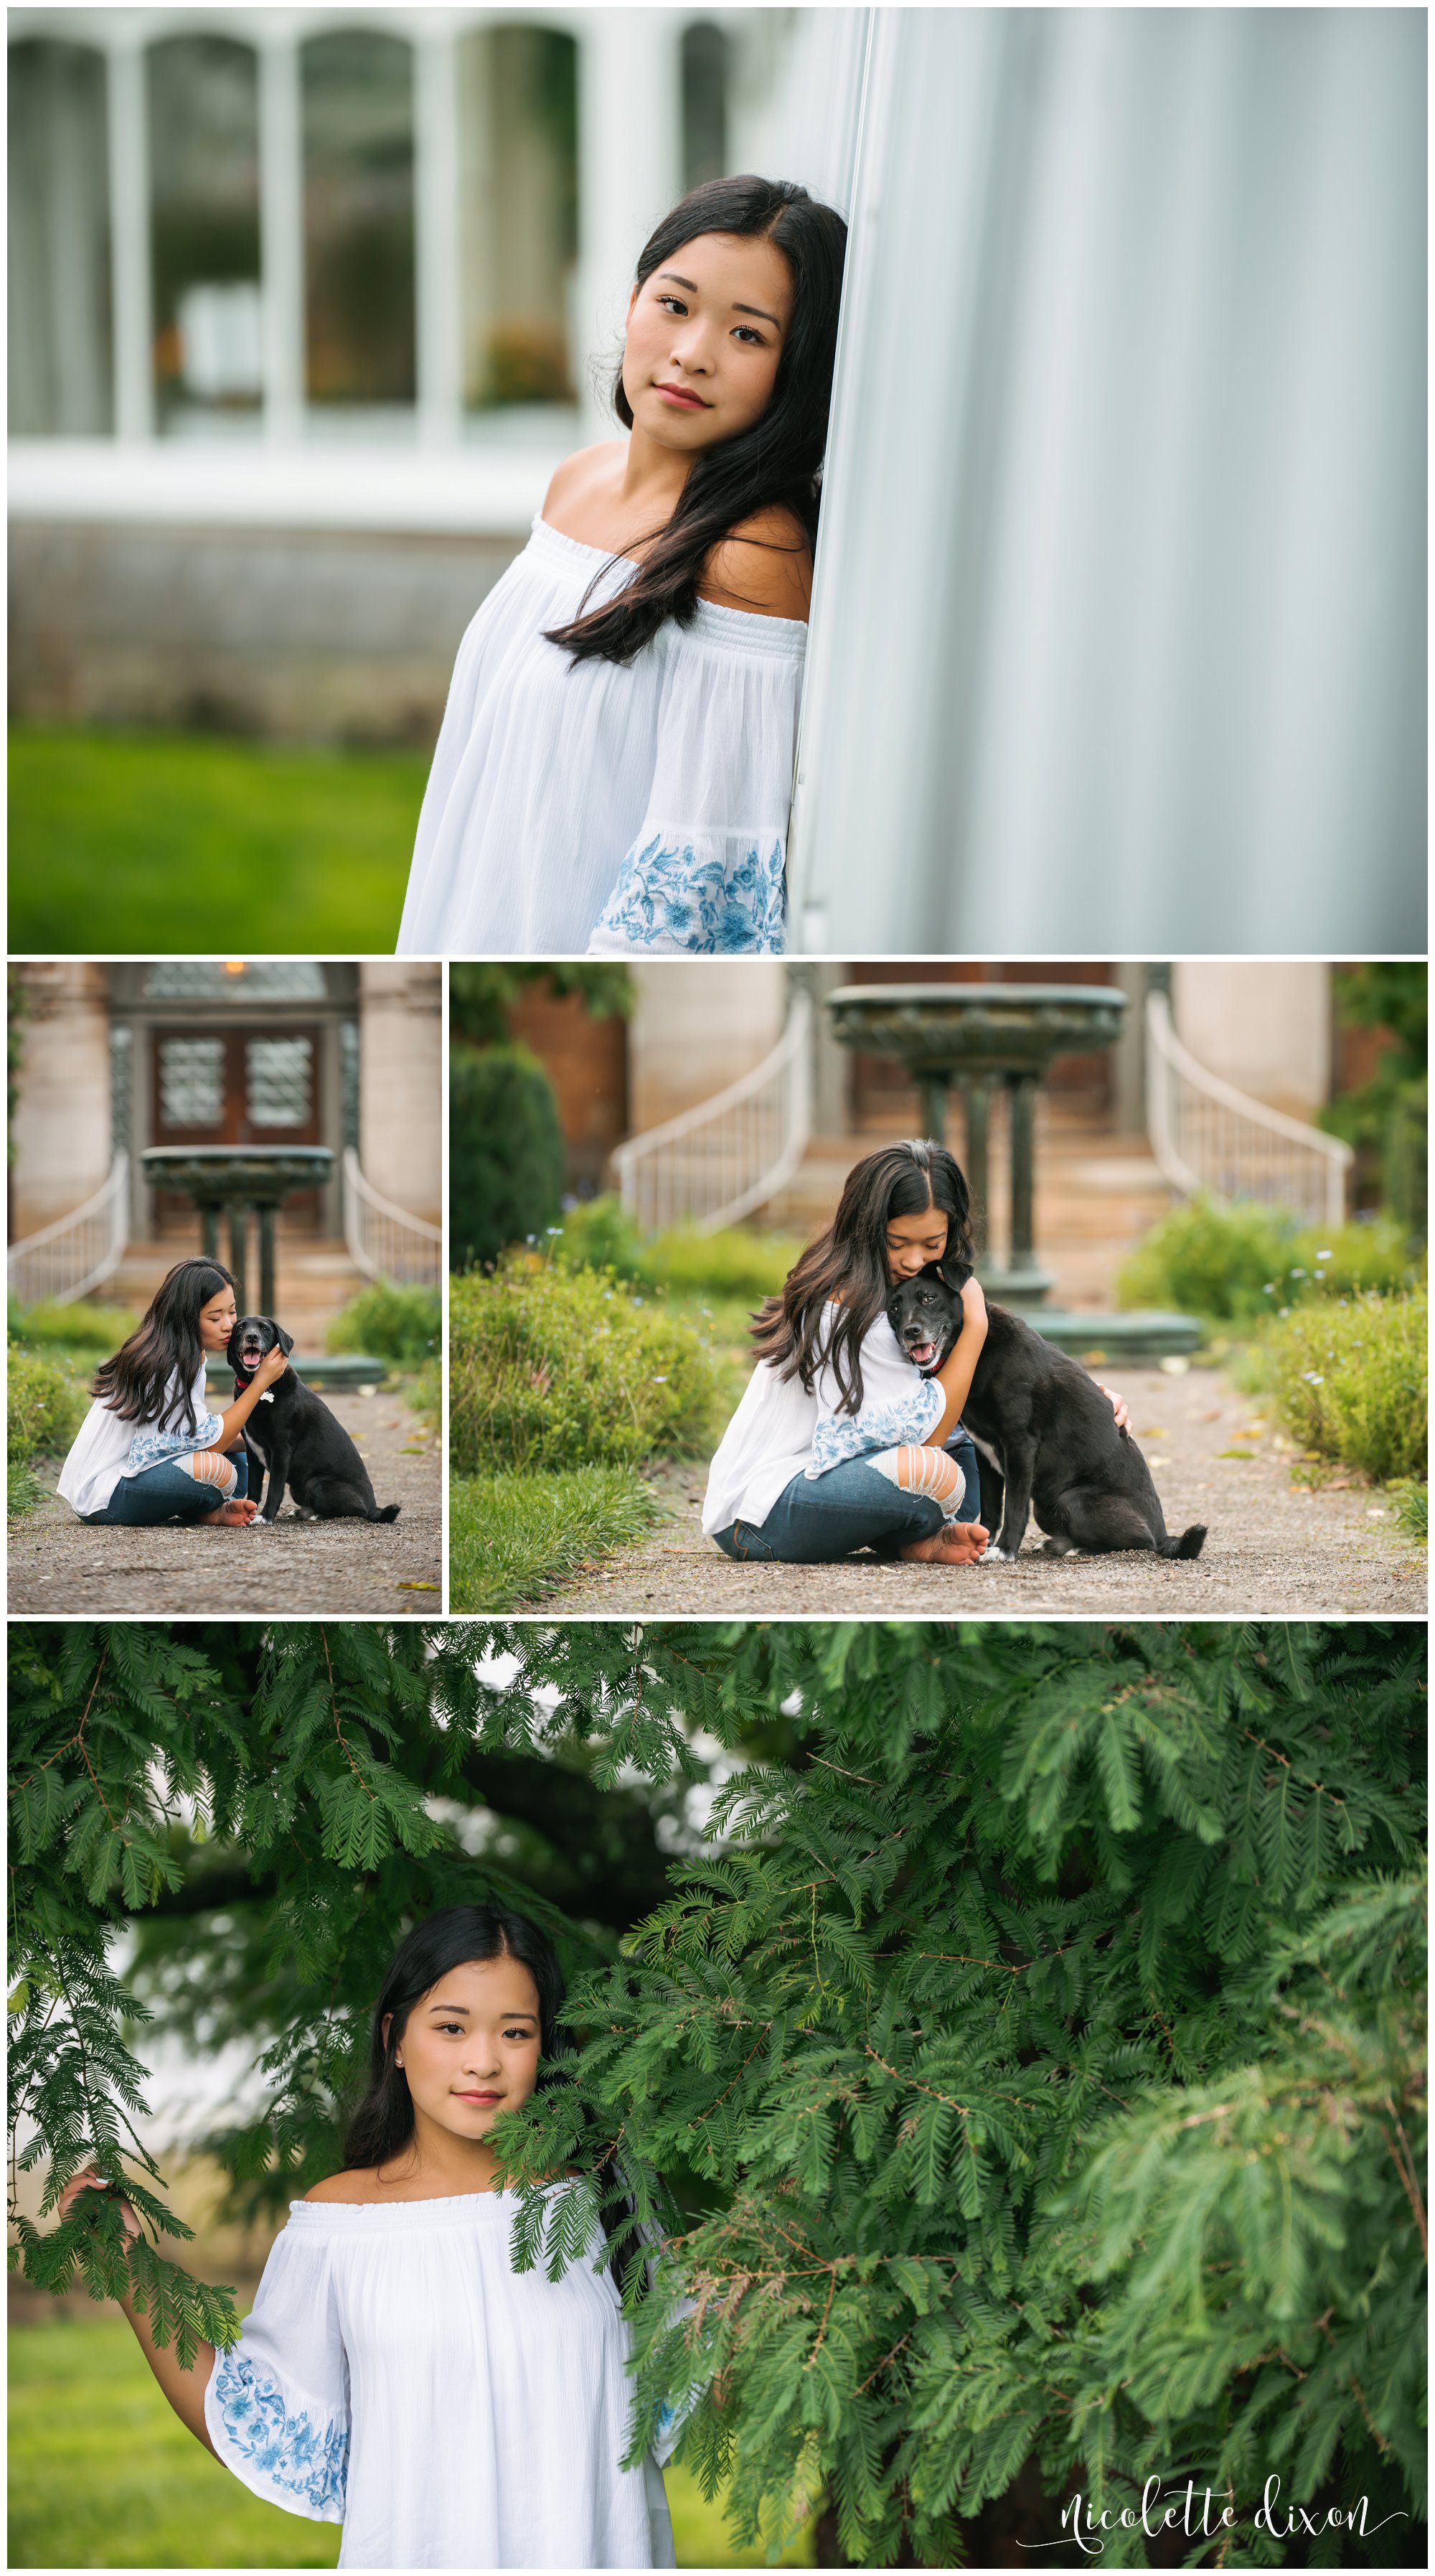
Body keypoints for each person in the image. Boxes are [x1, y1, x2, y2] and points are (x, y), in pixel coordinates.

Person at [57, 1906, 674, 2572]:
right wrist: (128, 2266)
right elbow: (253, 2417)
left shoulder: (604, 2194)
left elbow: (702, 2359)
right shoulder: (341, 2226)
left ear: (544, 2045)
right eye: (451, 2027)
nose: (484, 2061)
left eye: (515, 2032)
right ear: (395, 2038)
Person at [397, 174, 846, 960]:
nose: (691, 355)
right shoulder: (577, 481)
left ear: (795, 369)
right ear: (634, 301)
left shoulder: (748, 560)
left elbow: (699, 892)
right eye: (674, 304)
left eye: (748, 335)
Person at [703, 1141, 1130, 1564]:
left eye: (932, 1244)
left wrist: (1082, 1402)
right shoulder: (846, 1303)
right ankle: (910, 1536)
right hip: (765, 1512)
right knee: (935, 1471)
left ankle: (913, 1542)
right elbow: (926, 1439)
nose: (913, 1260)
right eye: (897, 1243)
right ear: (864, 1229)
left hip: (844, 1485)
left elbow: (1008, 1381)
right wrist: (976, 1326)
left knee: (964, 1470)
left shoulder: (910, 1295)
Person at [55, 1259, 287, 1529]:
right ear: (186, 1317)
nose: (228, 1325)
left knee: (244, 1460)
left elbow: (193, 1434)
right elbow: (211, 1444)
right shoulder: (164, 1363)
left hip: (144, 1474)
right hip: (107, 1495)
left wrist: (267, 1442)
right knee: (220, 1469)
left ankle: (208, 1512)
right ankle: (205, 1507)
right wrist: (260, 1383)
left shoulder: (188, 1353)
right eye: (215, 1318)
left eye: (232, 1312)